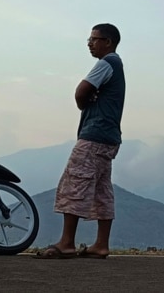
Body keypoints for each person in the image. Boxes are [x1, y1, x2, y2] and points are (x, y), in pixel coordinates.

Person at [35, 23, 126, 259]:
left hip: (94, 135)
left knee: (74, 183)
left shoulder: (107, 63)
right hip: (109, 138)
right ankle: (101, 245)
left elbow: (80, 91)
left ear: (108, 42)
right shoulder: (117, 65)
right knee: (102, 190)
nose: (89, 43)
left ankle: (66, 243)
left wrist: (84, 103)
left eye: (95, 39)